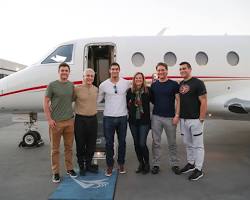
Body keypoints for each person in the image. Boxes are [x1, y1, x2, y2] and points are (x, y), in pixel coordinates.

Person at [43, 62, 77, 183]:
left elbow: (73, 99)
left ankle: (69, 168)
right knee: (55, 149)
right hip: (55, 123)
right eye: (62, 70)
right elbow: (46, 102)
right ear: (59, 72)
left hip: (69, 121)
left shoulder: (71, 85)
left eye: (66, 70)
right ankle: (55, 172)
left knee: (69, 148)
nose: (64, 72)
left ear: (69, 72)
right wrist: (49, 119)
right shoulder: (52, 85)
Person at [98, 62, 130, 177]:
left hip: (122, 117)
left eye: (117, 69)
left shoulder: (126, 83)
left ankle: (121, 164)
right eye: (113, 69)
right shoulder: (103, 85)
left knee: (122, 142)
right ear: (109, 71)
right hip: (109, 118)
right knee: (109, 143)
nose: (115, 71)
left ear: (119, 70)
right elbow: (97, 100)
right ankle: (109, 166)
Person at [178, 61, 207, 181]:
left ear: (190, 69)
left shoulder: (198, 83)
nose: (182, 70)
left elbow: (204, 101)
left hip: (195, 120)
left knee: (198, 146)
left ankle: (198, 169)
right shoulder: (182, 83)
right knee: (188, 143)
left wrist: (201, 118)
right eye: (180, 69)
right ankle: (190, 163)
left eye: (184, 68)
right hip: (184, 120)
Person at [150, 62, 180, 175]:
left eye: (163, 70)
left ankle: (175, 164)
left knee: (172, 142)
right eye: (159, 70)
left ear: (167, 71)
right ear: (156, 72)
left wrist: (177, 115)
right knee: (156, 142)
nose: (161, 72)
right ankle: (156, 164)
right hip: (156, 117)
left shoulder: (173, 84)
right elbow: (153, 100)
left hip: (170, 118)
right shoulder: (154, 85)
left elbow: (178, 100)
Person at [74, 68, 98, 176]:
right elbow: (67, 99)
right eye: (87, 75)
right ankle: (81, 166)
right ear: (83, 77)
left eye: (91, 76)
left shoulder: (96, 89)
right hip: (80, 120)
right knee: (80, 144)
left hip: (93, 120)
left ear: (94, 78)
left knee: (91, 145)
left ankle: (88, 165)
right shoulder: (77, 89)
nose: (89, 78)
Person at [126, 72, 151, 174]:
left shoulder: (148, 91)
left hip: (144, 121)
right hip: (133, 122)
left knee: (142, 143)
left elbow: (155, 102)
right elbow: (126, 104)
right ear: (134, 80)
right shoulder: (130, 91)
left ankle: (147, 163)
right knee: (136, 144)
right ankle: (141, 163)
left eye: (140, 78)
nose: (138, 80)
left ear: (143, 79)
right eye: (136, 78)